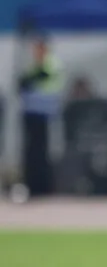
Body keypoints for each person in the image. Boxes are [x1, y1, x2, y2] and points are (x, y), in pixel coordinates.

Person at [18, 35, 63, 197]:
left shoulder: (50, 63)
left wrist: (28, 80)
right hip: (32, 113)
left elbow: (41, 77)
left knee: (42, 153)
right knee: (32, 153)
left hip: (44, 114)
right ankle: (33, 185)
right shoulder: (35, 65)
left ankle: (43, 187)